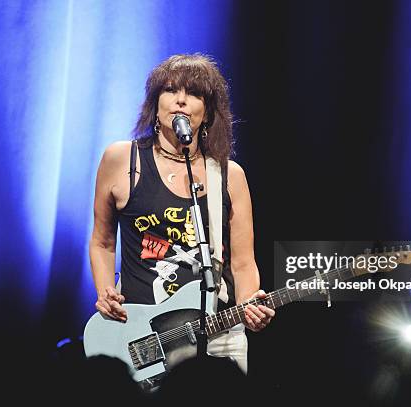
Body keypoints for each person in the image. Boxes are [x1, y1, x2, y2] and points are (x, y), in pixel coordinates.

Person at [89, 53, 274, 373]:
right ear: (154, 103)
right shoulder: (122, 160)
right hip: (139, 333)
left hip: (218, 335)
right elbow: (102, 242)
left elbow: (243, 262)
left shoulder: (229, 175)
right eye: (170, 90)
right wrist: (106, 290)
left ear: (209, 112)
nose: (181, 100)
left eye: (194, 93)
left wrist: (249, 306)